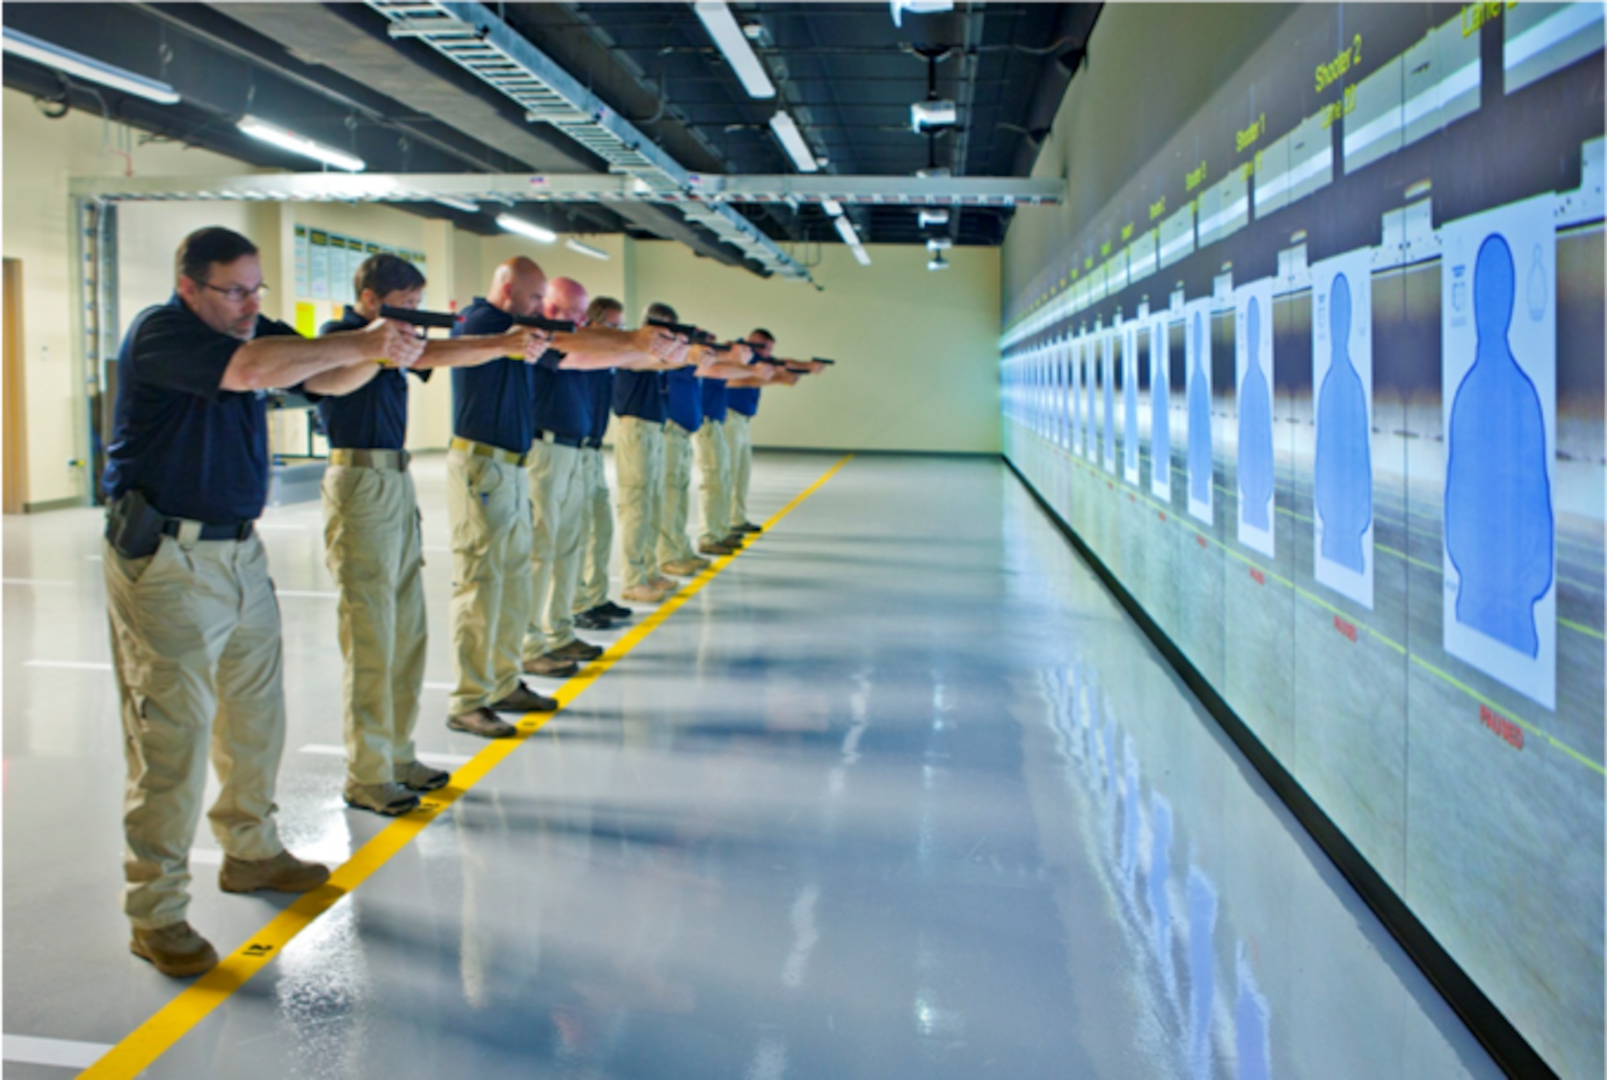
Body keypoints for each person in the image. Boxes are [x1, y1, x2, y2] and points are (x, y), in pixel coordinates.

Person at [102, 226, 423, 977]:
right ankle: (157, 912)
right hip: (169, 559)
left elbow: (322, 380)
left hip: (239, 553)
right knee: (170, 740)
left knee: (256, 718)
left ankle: (249, 850)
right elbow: (250, 371)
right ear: (191, 287)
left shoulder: (252, 329)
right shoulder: (165, 333)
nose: (250, 304)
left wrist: (372, 353)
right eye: (234, 290)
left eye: (257, 289)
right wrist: (359, 342)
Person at [317, 253, 546, 816]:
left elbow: (438, 353)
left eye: (420, 306)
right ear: (371, 299)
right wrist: (377, 346)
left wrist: (499, 346)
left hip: (394, 478)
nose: (415, 318)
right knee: (371, 636)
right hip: (357, 478)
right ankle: (366, 773)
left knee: (406, 633)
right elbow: (331, 381)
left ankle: (397, 756)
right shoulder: (340, 336)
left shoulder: (395, 342)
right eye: (408, 305)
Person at [449, 259, 673, 736]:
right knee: (482, 585)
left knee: (511, 578)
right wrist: (635, 342)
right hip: (487, 463)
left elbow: (580, 348)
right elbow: (572, 351)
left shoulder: (519, 329)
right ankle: (469, 698)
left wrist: (644, 349)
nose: (542, 313)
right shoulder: (488, 322)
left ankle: (505, 680)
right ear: (509, 292)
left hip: (512, 462)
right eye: (536, 301)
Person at [522, 277, 685, 678]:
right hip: (547, 450)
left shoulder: (590, 347)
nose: (578, 321)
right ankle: (529, 641)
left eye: (581, 314)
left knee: (569, 548)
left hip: (578, 450)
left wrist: (668, 351)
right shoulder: (550, 341)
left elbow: (630, 358)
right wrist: (633, 341)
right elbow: (583, 356)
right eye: (573, 313)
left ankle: (559, 630)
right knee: (541, 553)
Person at [572, 295, 633, 631]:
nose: (618, 333)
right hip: (575, 450)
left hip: (593, 449)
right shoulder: (585, 351)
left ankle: (595, 596)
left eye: (621, 327)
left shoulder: (608, 358)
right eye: (612, 326)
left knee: (600, 528)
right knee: (579, 532)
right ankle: (577, 603)